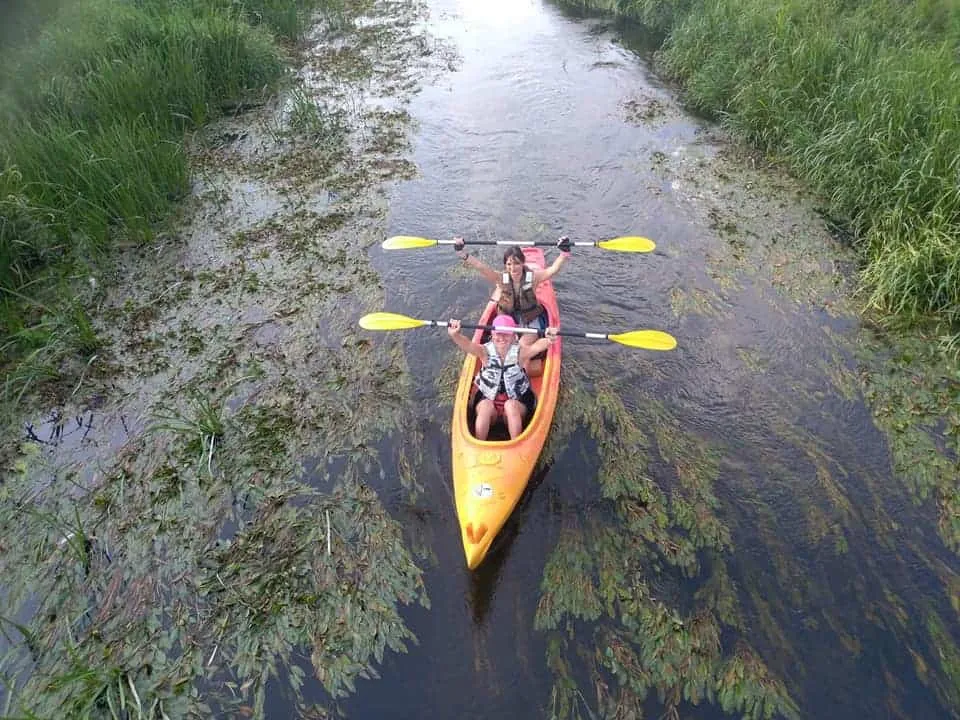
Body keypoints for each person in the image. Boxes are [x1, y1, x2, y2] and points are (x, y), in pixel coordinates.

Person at [453, 236, 570, 376]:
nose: (513, 268)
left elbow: (553, 270)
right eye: (509, 264)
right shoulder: (500, 278)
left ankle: (522, 372)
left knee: (521, 348)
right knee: (501, 348)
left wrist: (564, 253)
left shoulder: (534, 277)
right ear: (505, 265)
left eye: (516, 263)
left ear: (523, 263)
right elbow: (480, 267)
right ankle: (507, 370)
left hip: (530, 319)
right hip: (506, 319)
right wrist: (462, 253)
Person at [447, 315, 558, 441]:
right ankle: (479, 441)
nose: (502, 338)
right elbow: (467, 345)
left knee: (510, 406)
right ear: (492, 334)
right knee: (485, 407)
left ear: (513, 336)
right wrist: (455, 335)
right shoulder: (484, 351)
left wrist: (549, 339)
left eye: (506, 335)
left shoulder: (520, 353)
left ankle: (516, 444)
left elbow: (536, 347)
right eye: (498, 334)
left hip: (517, 401)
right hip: (488, 400)